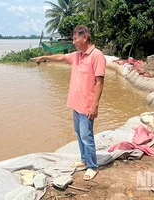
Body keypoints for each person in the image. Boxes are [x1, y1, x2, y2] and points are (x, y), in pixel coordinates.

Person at [32, 25, 106, 181]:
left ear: (84, 37)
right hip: (76, 104)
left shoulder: (96, 55)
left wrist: (95, 105)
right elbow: (61, 57)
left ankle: (92, 166)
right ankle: (84, 159)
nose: (73, 42)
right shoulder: (78, 55)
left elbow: (99, 82)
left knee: (87, 136)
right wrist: (43, 58)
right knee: (79, 134)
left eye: (74, 39)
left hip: (87, 105)